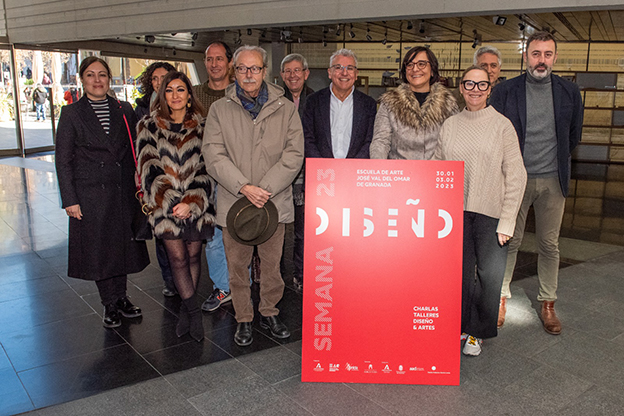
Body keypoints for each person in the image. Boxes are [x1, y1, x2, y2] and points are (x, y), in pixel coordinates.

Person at [203, 45, 304, 347]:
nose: (249, 74)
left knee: (272, 266)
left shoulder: (284, 107)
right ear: (234, 70)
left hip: (273, 202)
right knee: (238, 266)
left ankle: (270, 311)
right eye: (243, 68)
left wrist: (267, 188)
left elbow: (295, 153)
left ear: (264, 70)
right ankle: (244, 317)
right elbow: (213, 153)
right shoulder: (220, 110)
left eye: (255, 68)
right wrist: (244, 186)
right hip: (236, 204)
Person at [490, 31, 583, 335]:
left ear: (554, 57)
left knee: (549, 244)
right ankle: (501, 298)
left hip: (553, 181)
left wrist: (553, 163)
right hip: (515, 180)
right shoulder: (506, 92)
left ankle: (547, 303)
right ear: (526, 56)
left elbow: (573, 136)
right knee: (510, 241)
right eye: (535, 53)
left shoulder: (569, 92)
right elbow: (497, 136)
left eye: (547, 54)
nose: (541, 60)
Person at [435, 66, 527, 356]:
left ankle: (478, 332)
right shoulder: (450, 125)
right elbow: (439, 167)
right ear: (461, 88)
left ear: (490, 88)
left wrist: (508, 221)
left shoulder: (502, 126)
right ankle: (460, 326)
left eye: (481, 85)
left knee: (489, 277)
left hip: (492, 214)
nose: (475, 89)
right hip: (455, 213)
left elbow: (516, 175)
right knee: (459, 276)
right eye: (469, 84)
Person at [55, 56, 150, 329]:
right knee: (100, 250)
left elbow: (135, 147)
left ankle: (121, 297)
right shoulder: (71, 113)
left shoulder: (124, 108)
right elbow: (63, 160)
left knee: (121, 247)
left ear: (110, 79)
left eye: (102, 75)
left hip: (122, 191)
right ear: (82, 80)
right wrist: (70, 199)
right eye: (90, 75)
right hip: (90, 194)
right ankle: (109, 302)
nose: (97, 80)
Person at [137, 71, 215, 342]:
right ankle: (194, 314)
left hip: (197, 206)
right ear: (163, 95)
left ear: (189, 95)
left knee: (194, 257)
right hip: (165, 209)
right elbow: (148, 168)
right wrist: (173, 203)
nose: (175, 95)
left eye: (180, 89)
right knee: (178, 259)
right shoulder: (148, 126)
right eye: (169, 90)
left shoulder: (205, 126)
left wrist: (192, 202)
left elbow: (209, 168)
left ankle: (186, 309)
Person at [192, 41, 234, 313]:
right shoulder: (193, 94)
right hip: (203, 176)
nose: (215, 64)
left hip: (236, 175)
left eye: (220, 59)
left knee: (241, 232)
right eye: (210, 59)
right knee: (213, 236)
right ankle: (223, 287)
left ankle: (243, 283)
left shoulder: (240, 92)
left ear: (229, 63)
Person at [134, 61, 177, 297]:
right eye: (155, 79)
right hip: (154, 180)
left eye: (164, 77)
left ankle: (184, 281)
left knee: (182, 235)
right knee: (161, 234)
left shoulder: (182, 105)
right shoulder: (140, 109)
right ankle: (170, 281)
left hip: (179, 179)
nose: (159, 82)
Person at [370, 46, 458, 160]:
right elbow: (381, 142)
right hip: (400, 174)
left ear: (432, 70)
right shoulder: (389, 103)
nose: (415, 69)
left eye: (421, 64)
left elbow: (454, 143)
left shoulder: (448, 104)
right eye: (410, 65)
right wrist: (378, 171)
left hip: (435, 173)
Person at [280, 53, 314, 292]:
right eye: (288, 71)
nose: (293, 75)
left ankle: (301, 274)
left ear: (306, 73)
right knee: (278, 229)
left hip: (307, 174)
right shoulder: (273, 100)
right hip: (279, 173)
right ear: (282, 76)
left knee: (303, 229)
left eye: (297, 70)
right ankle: (277, 276)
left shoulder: (317, 100)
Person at [304, 49, 377, 160]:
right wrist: (323, 165)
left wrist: (350, 168)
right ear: (329, 73)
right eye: (338, 67)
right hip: (321, 171)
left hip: (355, 171)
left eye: (350, 68)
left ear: (356, 74)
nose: (344, 73)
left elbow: (370, 141)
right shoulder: (313, 101)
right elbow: (307, 138)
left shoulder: (369, 104)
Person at [454, 46, 504, 110]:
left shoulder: (507, 94)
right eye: (483, 65)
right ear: (474, 67)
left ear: (499, 69)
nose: (489, 70)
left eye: (493, 66)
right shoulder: (457, 96)